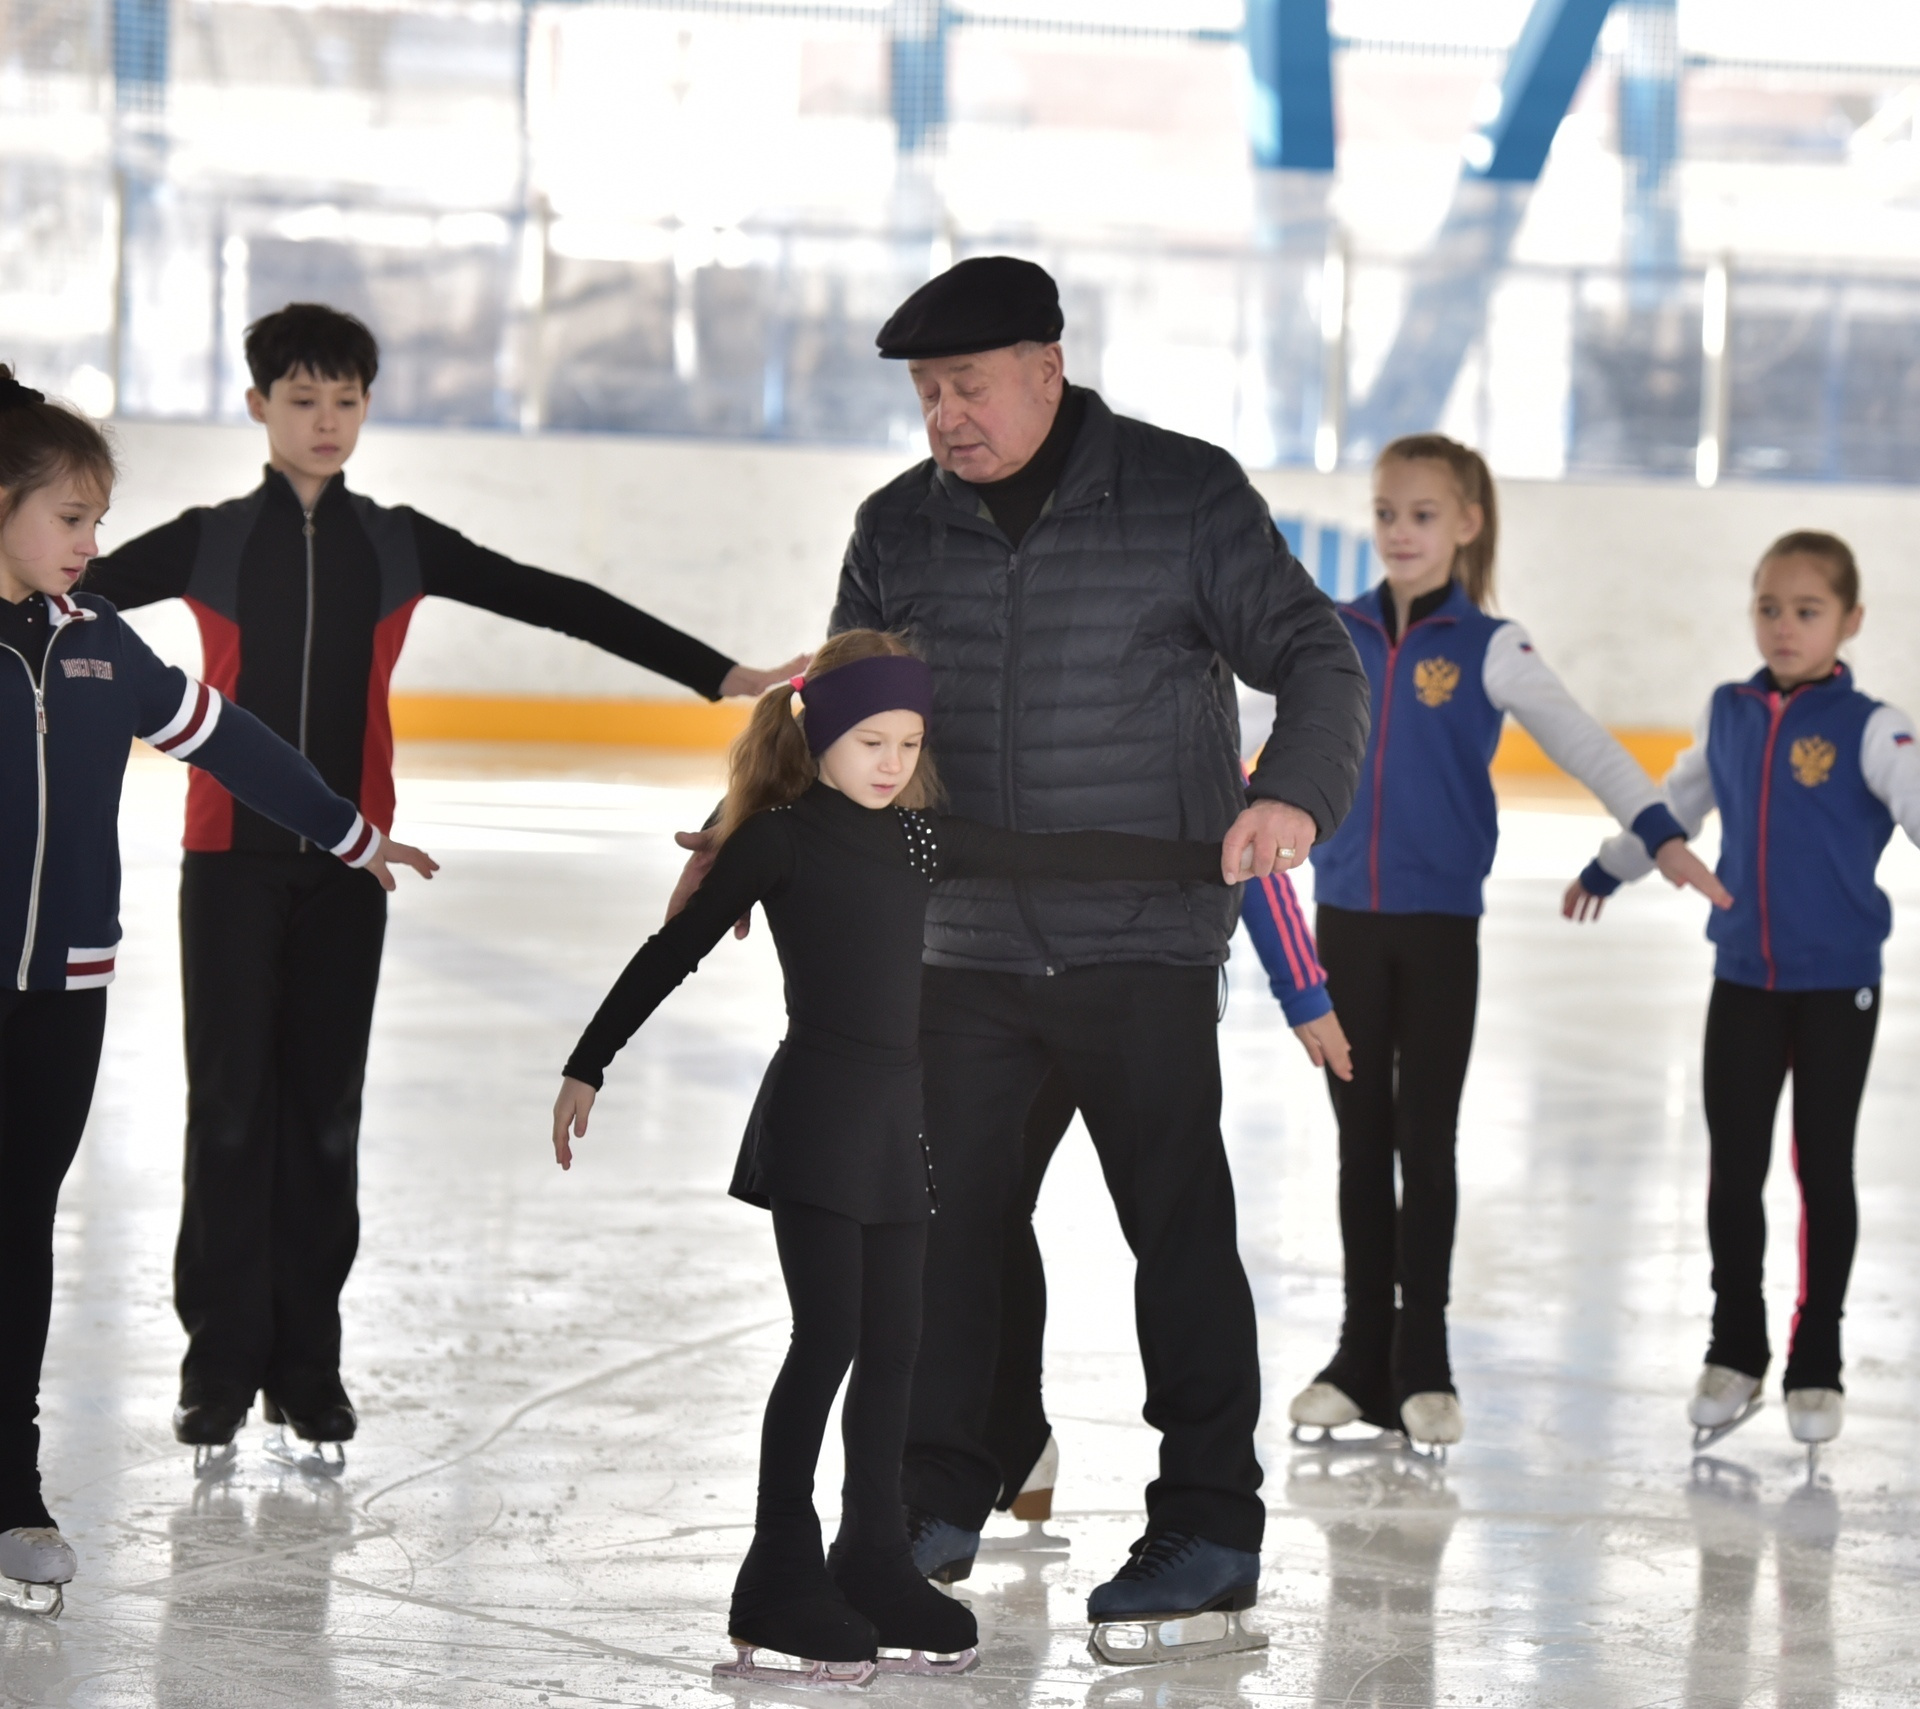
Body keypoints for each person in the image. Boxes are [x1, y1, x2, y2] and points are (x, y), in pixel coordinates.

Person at [75, 303, 805, 1466]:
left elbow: (553, 597)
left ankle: (307, 1367)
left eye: (347, 400)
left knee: (323, 1112)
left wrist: (723, 674)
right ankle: (216, 1367)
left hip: (352, 864)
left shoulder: (398, 543)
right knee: (225, 1113)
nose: (326, 421)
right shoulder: (209, 538)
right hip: (226, 859)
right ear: (257, 406)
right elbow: (66, 595)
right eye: (302, 399)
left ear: (367, 408)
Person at [797, 253, 1366, 1659]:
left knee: (1175, 1236)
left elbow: (1318, 655)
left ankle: (1210, 1525)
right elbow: (853, 721)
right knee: (941, 1236)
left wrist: (1293, 793)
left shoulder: (1184, 496)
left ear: (1047, 368)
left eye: (969, 385)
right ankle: (942, 1481)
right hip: (964, 944)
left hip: (1140, 946)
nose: (946, 414)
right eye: (929, 392)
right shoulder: (897, 528)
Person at [555, 630, 1230, 1683]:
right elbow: (668, 951)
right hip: (819, 1119)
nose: (891, 761)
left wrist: (1210, 855)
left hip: (896, 1122)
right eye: (871, 738)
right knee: (825, 1341)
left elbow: (1054, 852)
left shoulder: (917, 841)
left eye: (908, 743)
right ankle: (778, 1570)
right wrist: (586, 1063)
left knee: (898, 1350)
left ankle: (871, 1560)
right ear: (819, 732)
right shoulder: (777, 839)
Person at [0, 368, 433, 1617]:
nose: (93, 544)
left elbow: (228, 735)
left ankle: (12, 1479)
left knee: (19, 1229)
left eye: (95, 518)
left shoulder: (98, 645)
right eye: (71, 518)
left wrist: (348, 832)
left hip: (62, 989)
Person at [1565, 531, 1920, 1452]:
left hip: (1838, 987)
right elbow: (1673, 809)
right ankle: (1734, 1346)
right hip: (1743, 980)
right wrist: (1609, 867)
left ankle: (1818, 1354)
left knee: (1822, 1170)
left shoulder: (1873, 727)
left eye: (1806, 611)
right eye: (1768, 608)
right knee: (1733, 1171)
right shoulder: (1729, 713)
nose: (1784, 628)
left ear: (1850, 620)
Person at [1288, 434, 1707, 1452]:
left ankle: (1421, 1356)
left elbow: (1584, 741)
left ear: (1467, 524)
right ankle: (1358, 1354)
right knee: (1360, 1142)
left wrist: (1656, 832)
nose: (1399, 531)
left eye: (1423, 514)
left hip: (1438, 930)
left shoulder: (1492, 646)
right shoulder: (1331, 633)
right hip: (1342, 918)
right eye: (1386, 510)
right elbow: (1253, 724)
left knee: (1424, 1143)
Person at [974, 856, 1346, 1562]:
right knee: (981, 1203)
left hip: (1143, 972)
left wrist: (1303, 987)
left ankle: (1205, 1510)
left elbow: (1244, 825)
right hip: (1012, 963)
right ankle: (1008, 1438)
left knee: (1172, 1221)